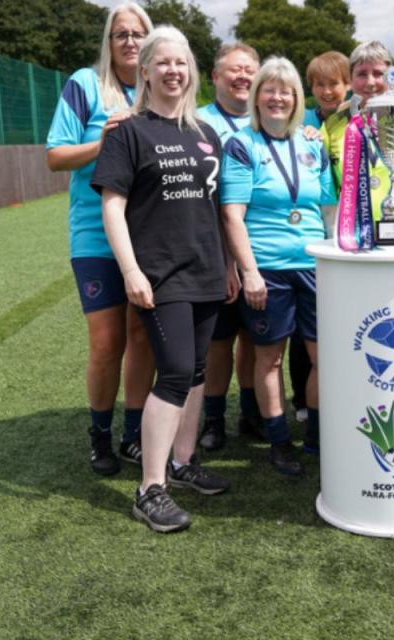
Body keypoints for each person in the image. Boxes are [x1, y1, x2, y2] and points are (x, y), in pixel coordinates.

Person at [92, 26, 231, 533]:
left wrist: (229, 267)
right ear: (145, 70)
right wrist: (131, 270)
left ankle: (182, 462)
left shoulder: (205, 134)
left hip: (206, 272)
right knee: (174, 373)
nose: (174, 71)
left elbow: (213, 207)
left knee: (195, 373)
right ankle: (150, 488)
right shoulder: (129, 132)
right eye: (164, 62)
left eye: (182, 63)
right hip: (160, 275)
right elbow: (113, 206)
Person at [45, 1, 154, 475]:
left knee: (141, 335)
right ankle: (100, 434)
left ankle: (134, 434)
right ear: (108, 42)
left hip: (149, 234)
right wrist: (102, 142)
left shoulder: (161, 88)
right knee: (108, 341)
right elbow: (55, 157)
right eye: (121, 34)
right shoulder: (85, 84)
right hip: (95, 234)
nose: (130, 41)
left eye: (138, 33)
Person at [221, 56, 336, 475]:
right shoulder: (241, 144)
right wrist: (248, 271)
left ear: (296, 99)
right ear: (256, 96)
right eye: (269, 89)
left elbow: (327, 209)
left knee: (325, 356)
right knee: (268, 359)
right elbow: (232, 214)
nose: (277, 97)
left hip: (313, 266)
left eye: (285, 91)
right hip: (266, 267)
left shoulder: (312, 143)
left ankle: (318, 437)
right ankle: (279, 441)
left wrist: (334, 257)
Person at [195, 42, 263, 451]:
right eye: (234, 70)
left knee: (257, 338)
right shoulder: (197, 122)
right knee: (219, 342)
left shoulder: (276, 119)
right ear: (215, 77)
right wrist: (224, 259)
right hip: (214, 252)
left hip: (261, 253)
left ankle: (252, 412)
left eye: (249, 71)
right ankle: (214, 418)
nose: (243, 78)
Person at [320, 41, 394, 229]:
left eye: (378, 74)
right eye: (361, 74)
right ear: (350, 79)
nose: (370, 82)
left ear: (392, 77)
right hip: (353, 236)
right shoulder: (330, 127)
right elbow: (326, 192)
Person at [304, 51, 351, 128]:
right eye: (320, 84)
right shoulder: (300, 121)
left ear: (348, 84)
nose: (327, 92)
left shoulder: (360, 122)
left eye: (333, 83)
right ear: (312, 88)